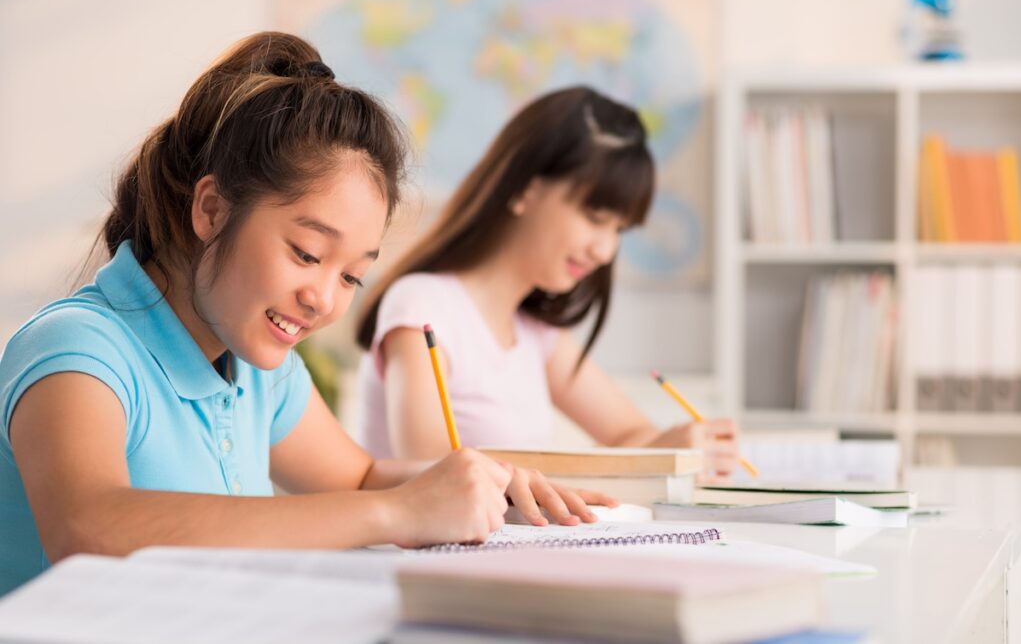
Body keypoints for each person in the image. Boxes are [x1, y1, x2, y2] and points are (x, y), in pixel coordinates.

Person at [0, 33, 611, 596]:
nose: (322, 299)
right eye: (307, 253)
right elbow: (91, 529)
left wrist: (479, 480)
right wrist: (398, 512)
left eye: (350, 275)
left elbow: (359, 475)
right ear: (211, 209)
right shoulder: (77, 349)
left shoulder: (253, 361)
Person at [355, 86, 740, 478]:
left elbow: (629, 434)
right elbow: (431, 475)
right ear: (525, 189)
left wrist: (680, 445)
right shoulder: (422, 307)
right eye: (595, 217)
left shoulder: (535, 334)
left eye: (619, 229)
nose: (605, 251)